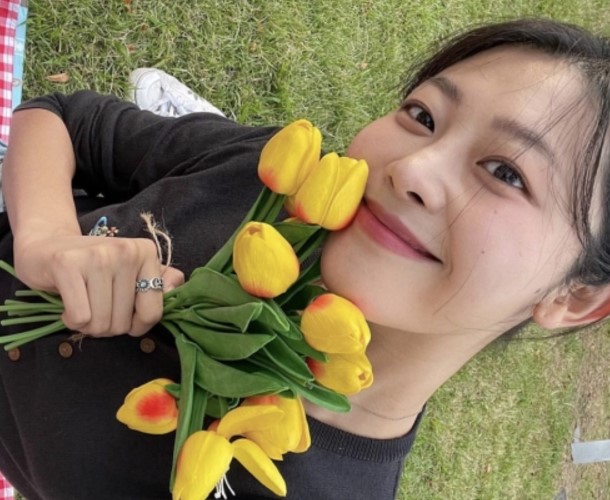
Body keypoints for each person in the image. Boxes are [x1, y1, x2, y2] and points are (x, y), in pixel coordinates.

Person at [0, 17, 609, 500]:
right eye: (423, 116)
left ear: (575, 298)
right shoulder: (273, 183)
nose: (412, 169)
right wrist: (46, 240)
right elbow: (63, 119)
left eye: (506, 172)